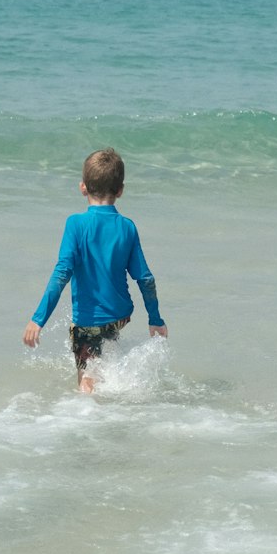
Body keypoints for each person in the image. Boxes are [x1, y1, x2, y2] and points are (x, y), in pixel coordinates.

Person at [22, 147, 167, 392]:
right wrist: (156, 319)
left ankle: (91, 420)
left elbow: (62, 273)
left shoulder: (76, 224)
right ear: (120, 190)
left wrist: (38, 319)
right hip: (120, 317)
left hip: (88, 321)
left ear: (83, 187)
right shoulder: (127, 227)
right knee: (104, 354)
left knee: (87, 380)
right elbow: (145, 278)